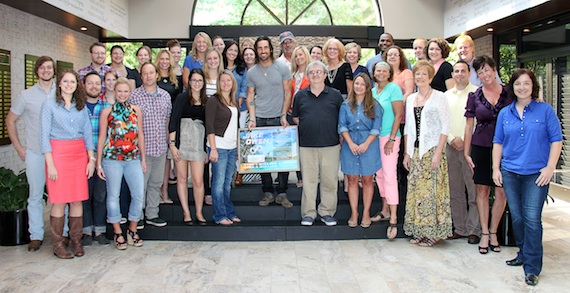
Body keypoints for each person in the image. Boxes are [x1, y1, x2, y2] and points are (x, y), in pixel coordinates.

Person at [492, 68, 563, 286]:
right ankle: (523, 253)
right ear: (512, 87)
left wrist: (550, 167)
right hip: (511, 172)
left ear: (533, 86)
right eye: (517, 84)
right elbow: (498, 142)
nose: (522, 87)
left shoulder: (545, 110)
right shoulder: (505, 113)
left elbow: (557, 139)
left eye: (526, 83)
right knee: (518, 217)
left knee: (532, 219)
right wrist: (496, 168)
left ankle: (532, 267)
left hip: (536, 174)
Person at [40, 69, 95, 258]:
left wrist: (91, 159)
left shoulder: (81, 106)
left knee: (77, 199)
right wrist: (51, 164)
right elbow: (44, 137)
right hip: (58, 155)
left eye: (73, 82)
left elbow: (88, 133)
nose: (69, 84)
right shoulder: (49, 105)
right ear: (59, 83)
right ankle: (58, 244)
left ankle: (76, 241)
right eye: (66, 81)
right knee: (59, 200)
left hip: (79, 155)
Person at [6, 56, 56, 252]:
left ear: (54, 70)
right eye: (42, 68)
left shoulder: (61, 93)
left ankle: (62, 233)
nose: (46, 71)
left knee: (60, 196)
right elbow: (10, 120)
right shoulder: (26, 95)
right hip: (35, 153)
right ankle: (36, 235)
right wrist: (19, 147)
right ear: (37, 71)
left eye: (49, 68)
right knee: (35, 195)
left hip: (57, 153)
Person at [463, 55, 513, 254]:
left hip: (507, 148)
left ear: (494, 69)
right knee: (482, 191)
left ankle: (494, 232)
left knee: (501, 191)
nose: (484, 75)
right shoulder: (474, 97)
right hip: (481, 147)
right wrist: (467, 153)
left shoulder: (509, 93)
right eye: (480, 72)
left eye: (487, 70)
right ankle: (484, 232)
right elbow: (468, 127)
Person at [403, 60, 452, 247]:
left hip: (432, 150)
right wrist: (407, 154)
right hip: (415, 152)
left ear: (431, 77)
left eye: (424, 74)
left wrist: (438, 153)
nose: (420, 77)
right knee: (417, 193)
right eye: (417, 74)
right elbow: (408, 127)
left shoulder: (439, 97)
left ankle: (435, 232)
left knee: (433, 193)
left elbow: (445, 127)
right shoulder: (410, 99)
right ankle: (420, 231)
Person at [96, 77, 146, 250]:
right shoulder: (107, 112)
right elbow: (102, 137)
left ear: (129, 93)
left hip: (133, 159)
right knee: (113, 196)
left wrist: (143, 159)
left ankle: (132, 229)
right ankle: (118, 232)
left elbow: (140, 135)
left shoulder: (136, 110)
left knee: (138, 195)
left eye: (126, 91)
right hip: (112, 160)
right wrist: (98, 163)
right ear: (114, 92)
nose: (123, 94)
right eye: (120, 91)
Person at [292, 61, 344, 226]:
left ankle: (327, 212)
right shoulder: (300, 96)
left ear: (324, 74)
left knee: (330, 181)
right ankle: (308, 213)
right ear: (308, 76)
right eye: (312, 72)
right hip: (307, 146)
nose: (315, 75)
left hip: (331, 145)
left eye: (318, 72)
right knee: (309, 182)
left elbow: (341, 119)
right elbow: (296, 118)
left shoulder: (335, 95)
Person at [246, 36, 293, 208]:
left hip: (278, 117)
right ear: (257, 50)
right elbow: (250, 95)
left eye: (266, 47)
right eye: (260, 48)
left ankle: (281, 193)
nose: (263, 51)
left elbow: (288, 93)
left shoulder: (282, 68)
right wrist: (252, 118)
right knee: (261, 157)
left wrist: (283, 114)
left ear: (271, 49)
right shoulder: (252, 72)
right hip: (259, 117)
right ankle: (267, 191)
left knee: (282, 156)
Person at [129, 62, 172, 228]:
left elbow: (167, 121)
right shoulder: (134, 96)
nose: (148, 76)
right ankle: (137, 215)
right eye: (145, 73)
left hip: (160, 147)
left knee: (156, 183)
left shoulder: (165, 96)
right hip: (142, 150)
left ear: (157, 75)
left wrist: (169, 142)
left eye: (151, 73)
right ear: (141, 76)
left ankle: (152, 214)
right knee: (141, 185)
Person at [339, 73, 382, 229]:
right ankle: (354, 213)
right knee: (351, 180)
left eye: (362, 84)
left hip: (368, 145)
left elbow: (376, 128)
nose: (358, 86)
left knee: (367, 180)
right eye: (356, 83)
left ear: (367, 87)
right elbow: (342, 126)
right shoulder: (345, 105)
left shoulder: (375, 105)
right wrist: (350, 143)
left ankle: (366, 213)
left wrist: (365, 144)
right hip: (350, 145)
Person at [445, 61, 480, 243]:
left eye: (463, 71)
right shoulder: (446, 96)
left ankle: (474, 229)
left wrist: (465, 140)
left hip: (470, 147)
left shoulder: (477, 93)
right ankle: (460, 228)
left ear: (469, 73)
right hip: (450, 147)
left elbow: (478, 121)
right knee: (455, 190)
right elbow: (442, 122)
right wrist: (452, 139)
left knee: (473, 189)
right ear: (452, 74)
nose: (459, 74)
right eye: (456, 71)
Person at [169, 69, 208, 225]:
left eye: (199, 80)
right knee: (182, 178)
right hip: (181, 142)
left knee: (198, 180)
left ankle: (198, 212)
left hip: (198, 143)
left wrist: (207, 149)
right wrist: (172, 145)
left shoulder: (207, 101)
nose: (196, 83)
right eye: (194, 80)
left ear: (203, 83)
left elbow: (209, 126)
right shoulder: (181, 98)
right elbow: (173, 121)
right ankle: (186, 213)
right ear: (189, 82)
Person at [370, 61, 404, 238]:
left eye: (384, 70)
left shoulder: (394, 89)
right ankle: (385, 210)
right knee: (380, 175)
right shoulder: (373, 92)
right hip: (375, 138)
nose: (381, 73)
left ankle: (394, 219)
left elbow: (398, 114)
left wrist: (391, 138)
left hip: (389, 137)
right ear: (374, 73)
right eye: (378, 70)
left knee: (390, 176)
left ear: (389, 73)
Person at [206, 70, 241, 225]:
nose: (226, 83)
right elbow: (209, 125)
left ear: (233, 82)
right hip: (218, 147)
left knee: (227, 183)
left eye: (228, 80)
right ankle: (219, 215)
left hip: (232, 148)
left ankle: (229, 212)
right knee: (218, 183)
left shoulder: (234, 101)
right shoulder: (214, 100)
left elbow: (236, 126)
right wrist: (213, 149)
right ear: (218, 84)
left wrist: (239, 148)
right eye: (222, 81)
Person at [81, 72, 111, 246]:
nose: (94, 86)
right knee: (84, 196)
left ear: (102, 86)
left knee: (100, 195)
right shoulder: (77, 107)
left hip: (102, 158)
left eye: (97, 84)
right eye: (90, 83)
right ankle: (86, 231)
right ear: (84, 85)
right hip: (81, 157)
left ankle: (99, 230)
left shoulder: (107, 107)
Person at [155, 49, 182, 205]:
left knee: (166, 159)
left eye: (167, 59)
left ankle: (164, 191)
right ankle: (155, 191)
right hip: (154, 122)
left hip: (170, 122)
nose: (164, 61)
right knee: (156, 158)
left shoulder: (175, 80)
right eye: (162, 59)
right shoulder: (153, 77)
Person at [288, 45, 311, 188]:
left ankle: (310, 176)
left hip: (307, 115)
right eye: (296, 56)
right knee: (295, 148)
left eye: (301, 55)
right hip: (292, 114)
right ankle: (300, 177)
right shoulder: (292, 76)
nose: (299, 58)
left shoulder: (312, 73)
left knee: (306, 147)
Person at [223, 40, 248, 128]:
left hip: (240, 107)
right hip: (223, 106)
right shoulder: (220, 67)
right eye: (230, 50)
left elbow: (244, 87)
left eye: (235, 51)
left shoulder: (242, 68)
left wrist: (238, 102)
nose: (232, 53)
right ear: (225, 51)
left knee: (239, 131)